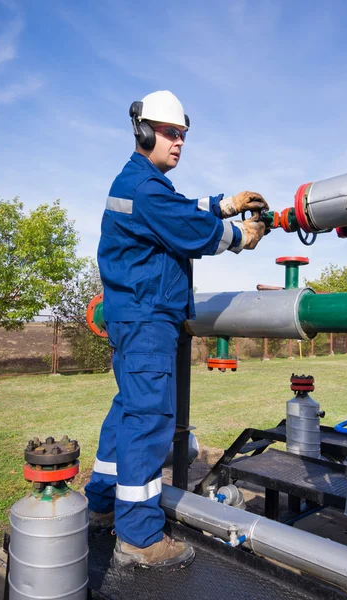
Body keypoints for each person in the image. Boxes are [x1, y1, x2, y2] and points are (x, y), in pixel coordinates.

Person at [85, 90, 269, 571]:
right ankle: (140, 536)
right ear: (144, 131)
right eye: (170, 133)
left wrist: (224, 203)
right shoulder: (145, 189)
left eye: (183, 134)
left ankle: (102, 501)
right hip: (148, 320)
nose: (179, 142)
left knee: (128, 412)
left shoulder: (142, 183)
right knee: (148, 422)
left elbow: (182, 211)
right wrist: (240, 235)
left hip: (133, 316)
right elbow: (189, 229)